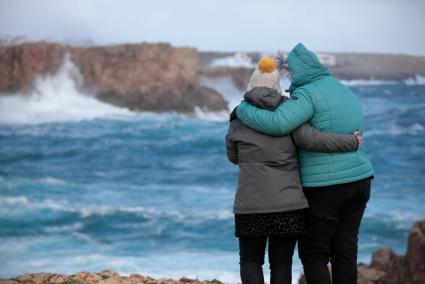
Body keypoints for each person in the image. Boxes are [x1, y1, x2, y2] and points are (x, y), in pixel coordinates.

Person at [235, 44, 375, 284]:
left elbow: (280, 124)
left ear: (299, 71)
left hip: (327, 186)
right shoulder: (344, 90)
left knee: (313, 254)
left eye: (290, 73)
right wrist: (351, 141)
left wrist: (242, 110)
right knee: (345, 251)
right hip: (360, 181)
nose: (289, 78)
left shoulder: (307, 94)